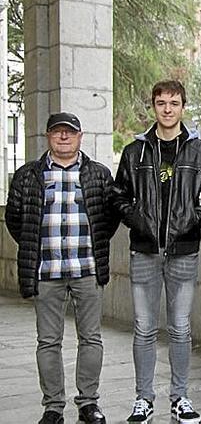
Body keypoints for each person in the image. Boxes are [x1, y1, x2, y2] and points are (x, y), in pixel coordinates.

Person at [112, 80, 201, 424]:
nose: (167, 109)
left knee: (180, 328)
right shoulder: (135, 152)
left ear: (183, 106)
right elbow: (118, 196)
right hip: (143, 251)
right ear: (153, 106)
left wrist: (191, 221)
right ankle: (143, 399)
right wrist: (139, 221)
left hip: (183, 251)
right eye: (161, 103)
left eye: (174, 103)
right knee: (143, 328)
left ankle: (180, 397)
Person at [6, 113, 119, 424]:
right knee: (48, 341)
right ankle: (53, 407)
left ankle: (88, 404)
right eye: (58, 133)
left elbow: (108, 220)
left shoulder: (98, 174)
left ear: (80, 136)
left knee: (91, 338)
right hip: (47, 270)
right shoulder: (28, 175)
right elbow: (16, 221)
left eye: (70, 132)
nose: (64, 138)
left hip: (87, 268)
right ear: (48, 137)